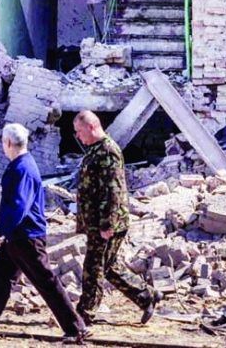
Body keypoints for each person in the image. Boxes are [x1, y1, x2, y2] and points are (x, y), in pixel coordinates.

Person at [0, 123, 90, 343]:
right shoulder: (21, 165)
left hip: (26, 237)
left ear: (8, 143)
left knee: (46, 281)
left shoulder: (22, 168)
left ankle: (76, 328)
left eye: (3, 141)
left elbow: (18, 207)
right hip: (17, 237)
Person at [73, 110, 162, 326]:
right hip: (98, 222)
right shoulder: (96, 150)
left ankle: (84, 314)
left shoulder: (107, 150)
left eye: (78, 131)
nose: (77, 136)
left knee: (93, 268)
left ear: (91, 127)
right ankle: (147, 296)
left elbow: (113, 191)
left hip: (106, 223)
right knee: (109, 266)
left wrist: (107, 224)